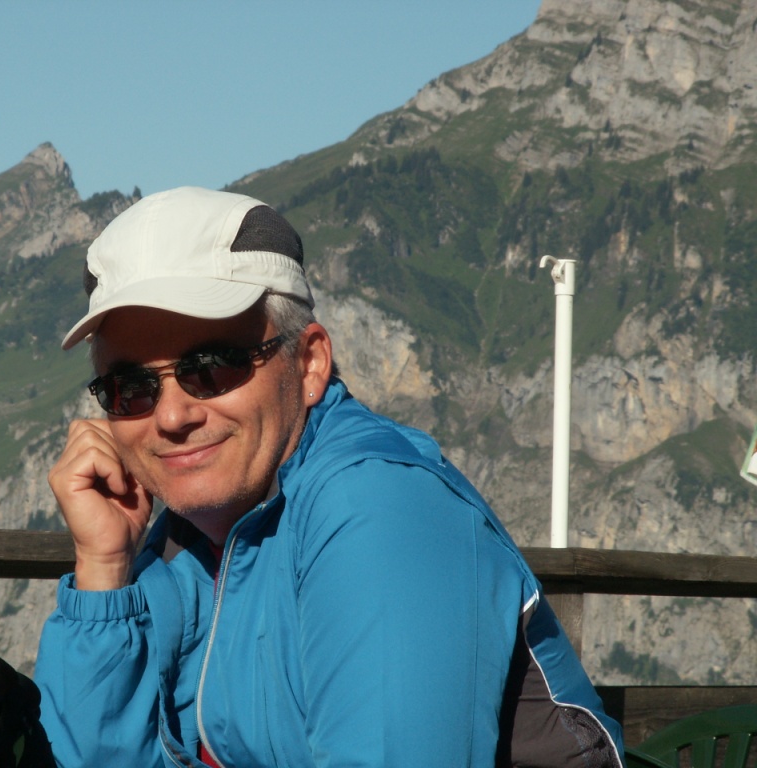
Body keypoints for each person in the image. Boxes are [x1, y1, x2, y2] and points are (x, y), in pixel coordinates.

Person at [34, 186, 625, 767]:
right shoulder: (188, 538)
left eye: (210, 368)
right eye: (132, 387)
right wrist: (104, 568)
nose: (170, 417)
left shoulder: (378, 509)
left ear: (309, 362)